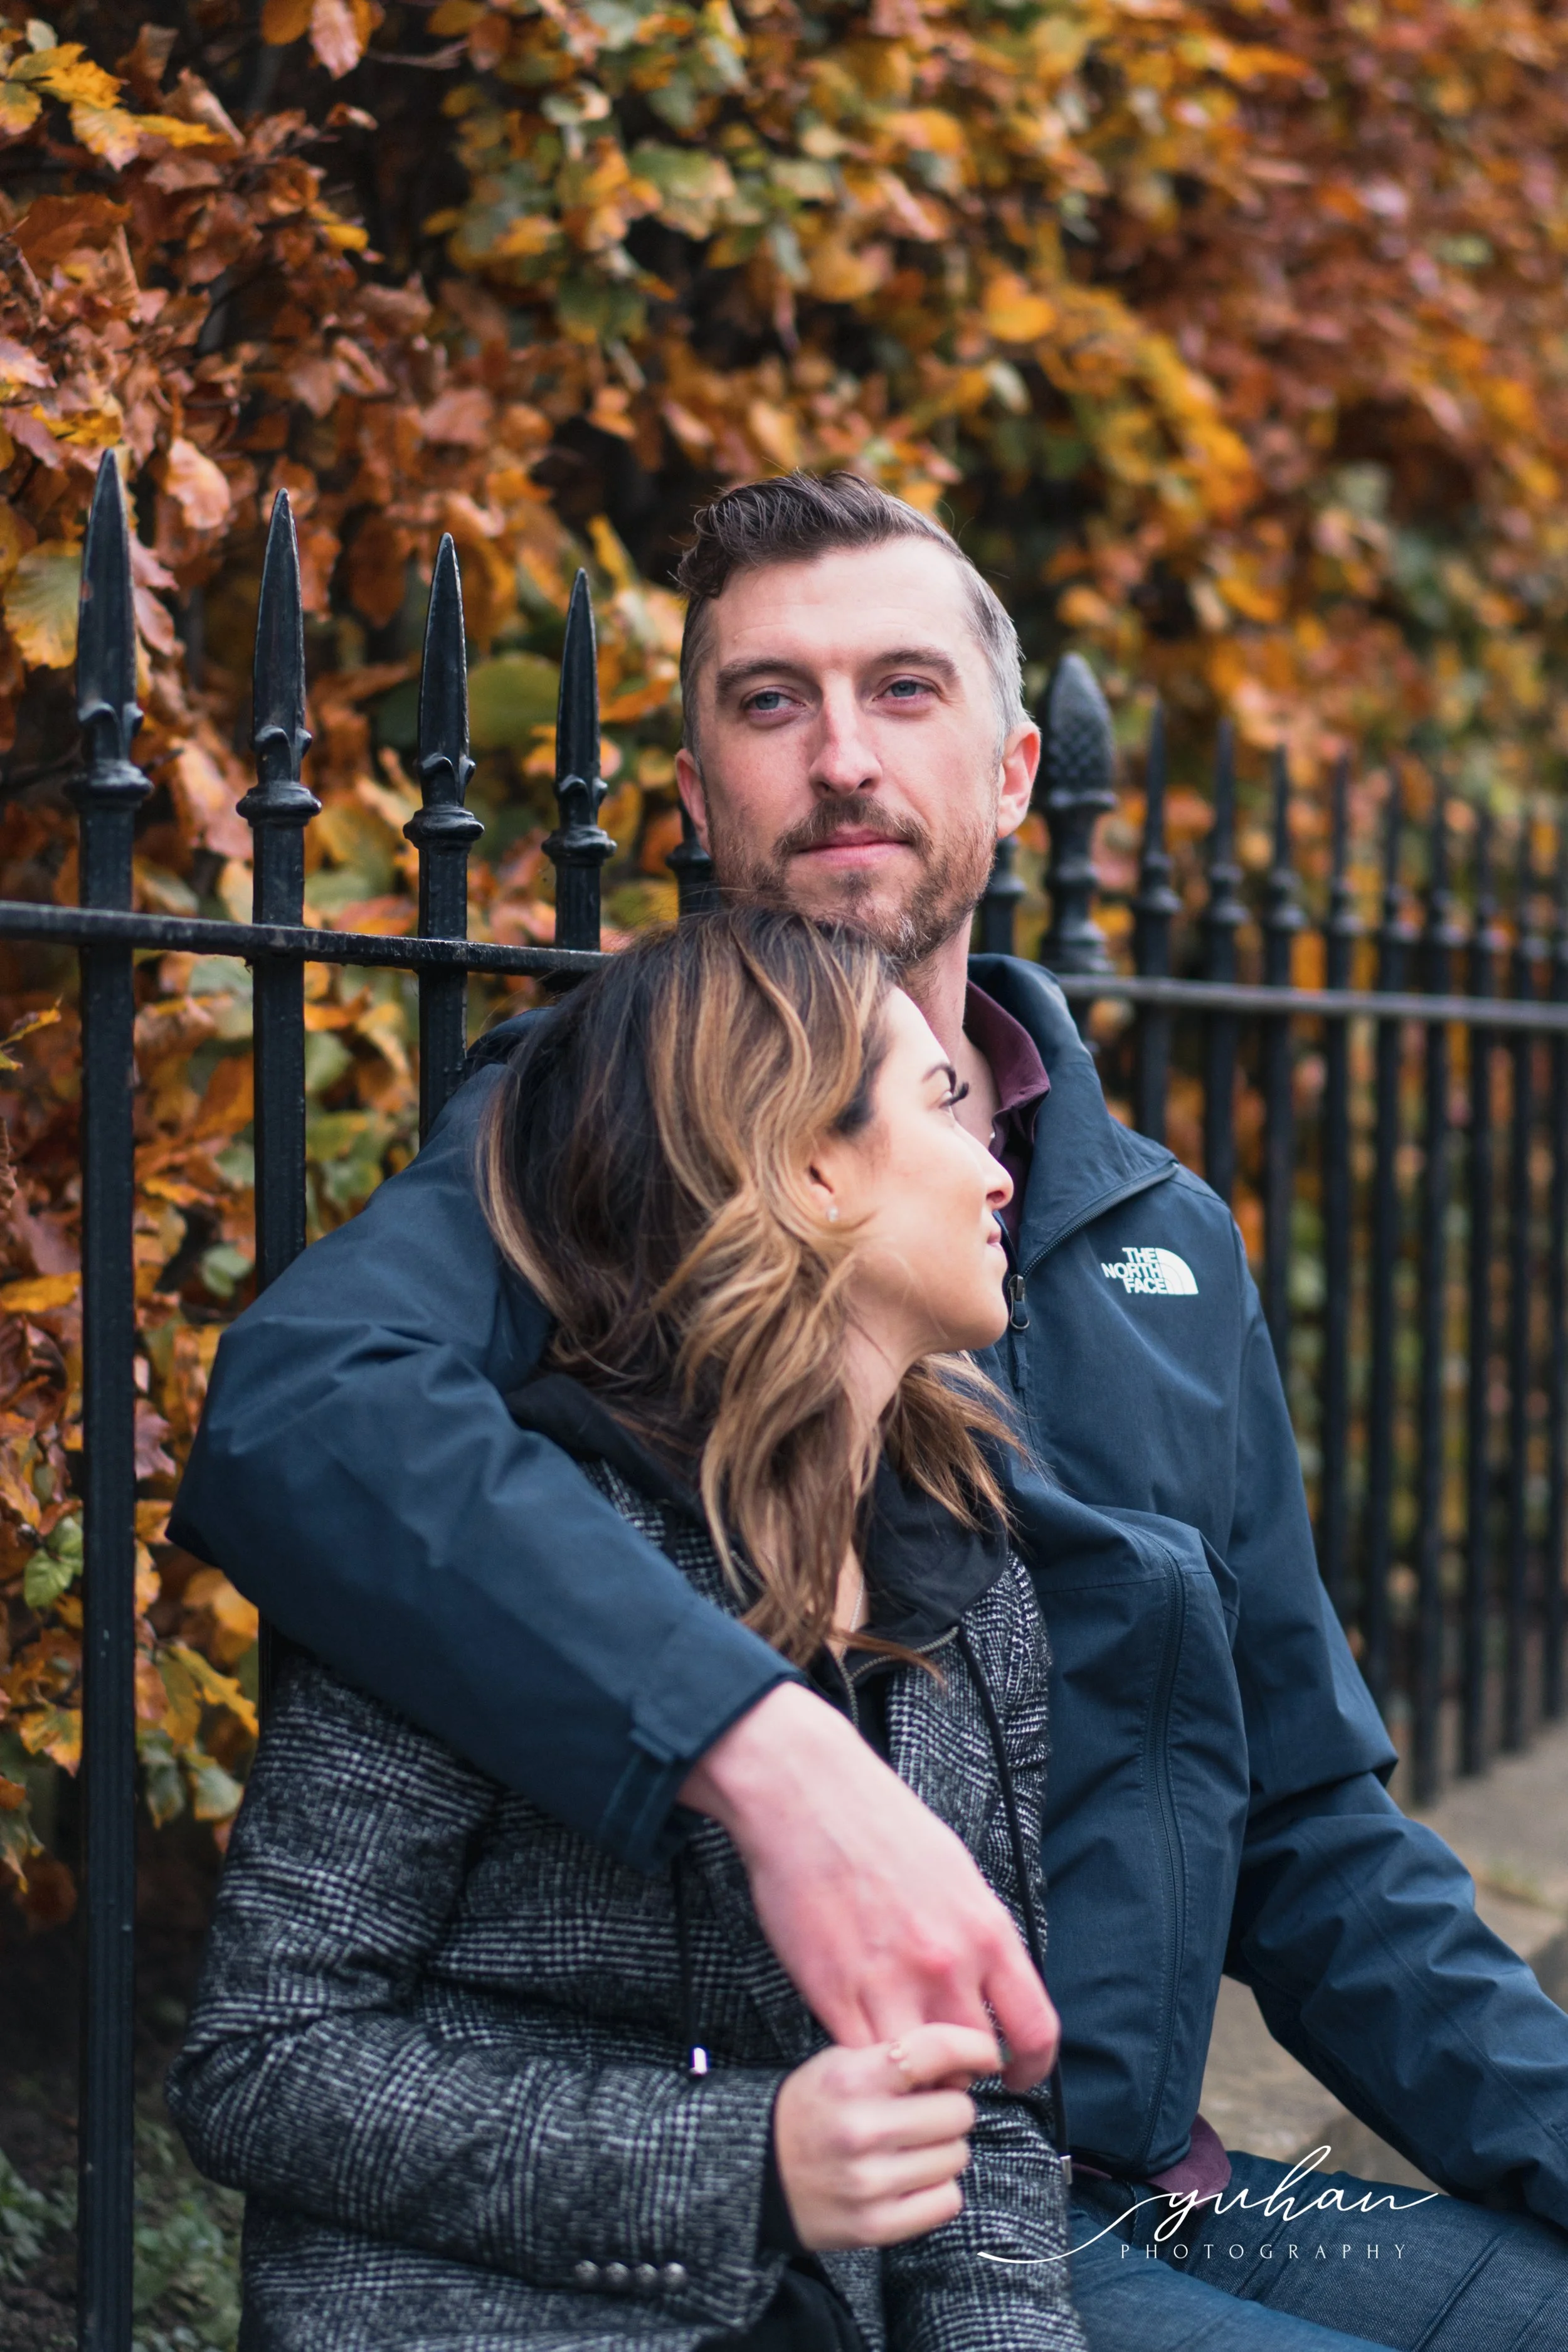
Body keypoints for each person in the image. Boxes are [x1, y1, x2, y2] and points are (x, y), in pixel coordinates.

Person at [172, 474, 1568, 2348]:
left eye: (901, 690)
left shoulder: (1155, 1237)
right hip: (788, 2212)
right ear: (691, 796)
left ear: (1008, 774)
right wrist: (761, 1742)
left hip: (1110, 2177)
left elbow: (1304, 1816)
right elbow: (305, 1409)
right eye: (768, 701)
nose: (837, 756)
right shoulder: (589, 1152)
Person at [167, 911, 1086, 2352]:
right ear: (805, 1167)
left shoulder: (976, 1584)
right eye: (939, 1109)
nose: (993, 1168)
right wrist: (743, 2160)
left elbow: (987, 2132)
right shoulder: (501, 1558)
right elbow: (261, 2065)